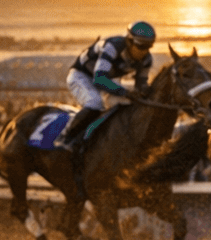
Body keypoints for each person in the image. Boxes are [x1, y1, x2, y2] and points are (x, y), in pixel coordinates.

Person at [58, 21, 156, 154]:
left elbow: (141, 85)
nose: (144, 51)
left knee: (127, 104)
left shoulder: (146, 60)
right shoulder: (112, 46)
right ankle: (66, 137)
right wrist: (124, 92)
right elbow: (99, 79)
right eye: (140, 46)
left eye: (148, 46)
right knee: (95, 102)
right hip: (82, 76)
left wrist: (144, 92)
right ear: (129, 41)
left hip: (107, 79)